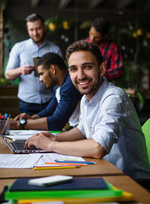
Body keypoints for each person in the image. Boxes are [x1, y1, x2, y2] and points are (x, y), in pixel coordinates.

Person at [25, 40, 150, 180]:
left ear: (102, 69)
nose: (80, 75)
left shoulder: (114, 97)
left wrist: (50, 145)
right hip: (104, 172)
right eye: (74, 69)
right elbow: (82, 129)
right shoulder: (86, 98)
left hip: (132, 182)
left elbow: (98, 147)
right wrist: (55, 137)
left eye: (87, 67)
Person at [5, 13, 62, 115]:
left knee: (51, 130)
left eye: (38, 29)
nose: (35, 33)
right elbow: (8, 74)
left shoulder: (55, 49)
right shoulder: (18, 47)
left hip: (50, 101)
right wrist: (20, 70)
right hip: (26, 103)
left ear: (44, 27)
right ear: (27, 29)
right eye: (31, 30)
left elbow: (61, 76)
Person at [10, 52, 82, 131]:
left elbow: (57, 122)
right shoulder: (58, 87)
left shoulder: (69, 85)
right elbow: (49, 110)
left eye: (41, 74)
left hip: (82, 132)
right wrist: (31, 118)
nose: (40, 79)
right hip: (74, 129)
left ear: (52, 69)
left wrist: (20, 124)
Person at [86, 17, 123, 81]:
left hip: (103, 84)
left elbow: (117, 70)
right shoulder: (82, 44)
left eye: (96, 37)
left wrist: (98, 74)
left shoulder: (113, 48)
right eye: (91, 34)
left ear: (105, 35)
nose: (92, 39)